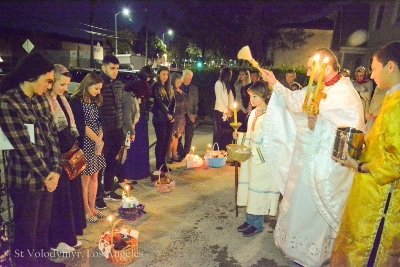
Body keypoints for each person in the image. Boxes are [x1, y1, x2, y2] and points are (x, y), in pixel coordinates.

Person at [260, 48, 364, 267]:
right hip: (303, 160)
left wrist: (319, 123)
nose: (307, 73)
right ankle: (293, 247)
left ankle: (311, 255)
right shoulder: (318, 88)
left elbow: (349, 132)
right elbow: (295, 100)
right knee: (297, 204)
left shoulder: (345, 94)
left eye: (310, 68)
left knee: (312, 209)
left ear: (324, 67)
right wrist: (275, 83)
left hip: (322, 166)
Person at [331, 41, 400, 266]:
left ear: (391, 67)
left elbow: (396, 162)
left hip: (381, 202)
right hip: (370, 193)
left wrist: (357, 165)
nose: (370, 75)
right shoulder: (391, 97)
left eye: (374, 68)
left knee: (365, 253)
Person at [0, 53, 65, 267]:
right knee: (26, 233)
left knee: (42, 228)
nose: (49, 87)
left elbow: (52, 135)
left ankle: (43, 262)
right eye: (47, 81)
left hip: (48, 177)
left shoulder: (40, 100)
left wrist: (55, 170)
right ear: (31, 76)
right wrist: (47, 174)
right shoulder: (9, 102)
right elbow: (24, 147)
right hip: (26, 180)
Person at [45, 65, 85, 253]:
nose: (66, 89)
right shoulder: (45, 101)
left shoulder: (61, 100)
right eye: (62, 84)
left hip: (69, 155)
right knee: (60, 201)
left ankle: (70, 236)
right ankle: (58, 241)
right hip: (56, 158)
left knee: (70, 198)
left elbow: (69, 126)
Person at [234, 81, 279, 237]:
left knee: (259, 192)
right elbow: (251, 135)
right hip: (251, 158)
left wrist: (255, 152)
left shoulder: (271, 116)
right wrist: (239, 137)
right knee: (250, 190)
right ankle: (249, 219)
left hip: (262, 161)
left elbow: (272, 142)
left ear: (264, 96)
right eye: (250, 96)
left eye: (254, 96)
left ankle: (257, 224)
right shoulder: (254, 113)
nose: (251, 100)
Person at [70, 72, 107, 224]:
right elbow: (81, 126)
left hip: (96, 143)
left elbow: (100, 121)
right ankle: (86, 209)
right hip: (85, 143)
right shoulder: (76, 101)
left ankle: (93, 207)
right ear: (88, 85)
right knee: (84, 180)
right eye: (96, 89)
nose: (98, 92)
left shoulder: (95, 101)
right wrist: (98, 140)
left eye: (100, 89)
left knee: (95, 176)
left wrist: (100, 140)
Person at [96, 55, 130, 210]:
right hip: (104, 131)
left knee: (113, 161)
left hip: (117, 129)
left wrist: (122, 128)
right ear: (103, 68)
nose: (115, 71)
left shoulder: (119, 85)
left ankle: (109, 190)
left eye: (117, 68)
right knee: (99, 165)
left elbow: (120, 108)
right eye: (112, 68)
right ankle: (97, 196)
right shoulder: (98, 84)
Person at [123, 66, 153, 181]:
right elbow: (127, 115)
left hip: (141, 119)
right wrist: (131, 129)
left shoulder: (141, 87)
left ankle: (142, 171)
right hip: (134, 122)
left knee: (142, 147)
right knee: (133, 149)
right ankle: (132, 173)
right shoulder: (133, 90)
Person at [151, 66, 175, 172]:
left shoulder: (169, 87)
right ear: (158, 75)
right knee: (161, 140)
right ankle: (159, 163)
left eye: (167, 74)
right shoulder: (156, 86)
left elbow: (173, 101)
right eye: (163, 74)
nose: (165, 77)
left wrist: (172, 114)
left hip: (168, 118)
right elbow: (158, 102)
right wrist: (167, 113)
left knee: (167, 141)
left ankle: (163, 162)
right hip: (159, 117)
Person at [177, 69, 199, 159]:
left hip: (190, 115)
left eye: (190, 78)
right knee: (178, 136)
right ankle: (180, 151)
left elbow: (196, 102)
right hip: (180, 114)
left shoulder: (194, 88)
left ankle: (186, 153)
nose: (188, 79)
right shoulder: (179, 87)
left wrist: (195, 114)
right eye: (186, 77)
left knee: (189, 135)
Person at [213, 67, 234, 150]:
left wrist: (231, 109)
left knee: (227, 133)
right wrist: (226, 111)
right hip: (219, 112)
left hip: (227, 112)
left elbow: (230, 97)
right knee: (218, 133)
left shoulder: (227, 85)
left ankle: (224, 151)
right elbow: (219, 99)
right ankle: (217, 151)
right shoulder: (218, 84)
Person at [167, 73, 185, 162]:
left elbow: (185, 101)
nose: (179, 85)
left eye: (180, 83)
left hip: (180, 118)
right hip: (174, 117)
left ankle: (174, 154)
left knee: (177, 138)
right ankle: (168, 156)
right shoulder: (171, 92)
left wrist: (181, 93)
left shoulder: (179, 92)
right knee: (172, 138)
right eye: (177, 83)